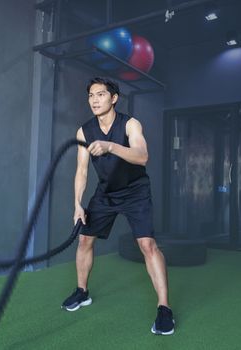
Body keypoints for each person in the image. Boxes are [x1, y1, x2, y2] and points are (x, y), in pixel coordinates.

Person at [61, 77, 175, 335]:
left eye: (101, 94)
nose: (94, 99)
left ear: (114, 98)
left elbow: (142, 155)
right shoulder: (84, 131)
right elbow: (81, 171)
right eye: (91, 95)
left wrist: (111, 146)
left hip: (136, 191)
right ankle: (82, 292)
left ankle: (164, 308)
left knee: (147, 245)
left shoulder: (130, 124)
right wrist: (77, 204)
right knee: (84, 240)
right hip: (106, 193)